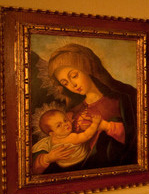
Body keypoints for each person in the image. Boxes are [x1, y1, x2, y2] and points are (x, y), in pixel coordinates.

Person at [32, 44, 137, 174]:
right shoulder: (72, 112)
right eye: (65, 83)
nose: (72, 85)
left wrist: (107, 127)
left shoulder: (121, 100)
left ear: (88, 68)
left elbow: (136, 139)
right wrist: (47, 158)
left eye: (74, 76)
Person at [32, 109, 107, 168]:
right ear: (52, 133)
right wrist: (95, 123)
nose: (65, 124)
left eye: (65, 120)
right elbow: (87, 135)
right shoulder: (72, 138)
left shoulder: (54, 139)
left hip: (62, 164)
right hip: (77, 160)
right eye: (59, 125)